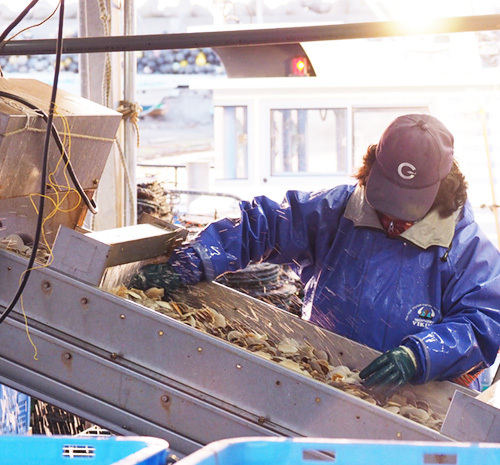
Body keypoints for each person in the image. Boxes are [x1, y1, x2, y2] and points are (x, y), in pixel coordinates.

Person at [131, 114, 500, 397]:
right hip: (323, 382)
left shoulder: (468, 248)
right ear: (371, 172)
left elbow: (484, 323)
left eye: (408, 210)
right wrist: (197, 258)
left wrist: (419, 356)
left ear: (440, 190)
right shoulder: (337, 210)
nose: (392, 221)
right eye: (386, 203)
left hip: (422, 401)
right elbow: (266, 224)